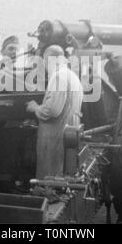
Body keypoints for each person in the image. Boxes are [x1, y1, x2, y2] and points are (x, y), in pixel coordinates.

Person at [25, 45, 83, 179]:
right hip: (69, 133)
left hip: (55, 137)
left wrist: (35, 107)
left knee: (50, 178)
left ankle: (48, 198)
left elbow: (52, 111)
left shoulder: (58, 77)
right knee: (65, 176)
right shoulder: (72, 75)